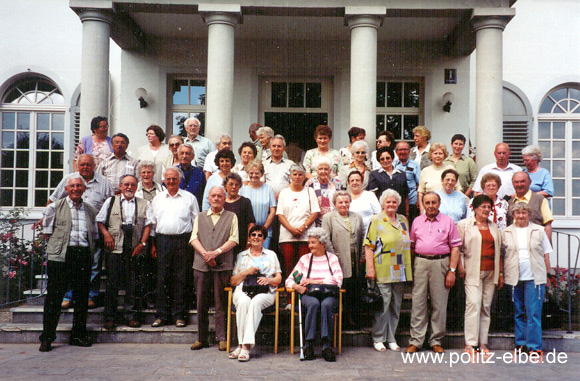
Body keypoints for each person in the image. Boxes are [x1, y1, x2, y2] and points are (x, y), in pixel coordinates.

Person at [39, 174, 99, 352]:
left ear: (84, 189)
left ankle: (78, 335)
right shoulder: (55, 207)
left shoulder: (90, 210)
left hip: (82, 255)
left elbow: (94, 235)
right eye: (72, 186)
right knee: (54, 297)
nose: (75, 189)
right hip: (61, 256)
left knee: (81, 297)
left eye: (79, 186)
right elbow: (47, 233)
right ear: (66, 189)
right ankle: (47, 337)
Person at [48, 154, 114, 309]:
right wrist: (47, 220)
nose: (85, 167)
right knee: (69, 265)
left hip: (94, 230)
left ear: (94, 165)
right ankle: (68, 296)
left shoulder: (104, 183)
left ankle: (90, 295)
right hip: (70, 231)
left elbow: (112, 206)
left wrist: (107, 231)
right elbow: (53, 201)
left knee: (94, 265)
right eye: (82, 164)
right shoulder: (69, 180)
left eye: (88, 165)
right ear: (77, 165)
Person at [405, 192, 462, 354]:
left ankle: (436, 340)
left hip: (441, 263)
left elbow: (455, 247)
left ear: (439, 203)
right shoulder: (416, 221)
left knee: (439, 303)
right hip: (421, 263)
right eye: (427, 202)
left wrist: (452, 271)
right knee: (418, 302)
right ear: (423, 204)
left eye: (434, 202)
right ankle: (416, 340)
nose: (430, 205)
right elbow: (411, 246)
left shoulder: (448, 221)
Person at [97, 174, 154, 329]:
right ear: (120, 186)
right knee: (112, 284)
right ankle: (110, 317)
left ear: (137, 187)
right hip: (115, 247)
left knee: (133, 284)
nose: (129, 187)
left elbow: (148, 225)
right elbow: (100, 221)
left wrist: (142, 243)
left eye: (133, 185)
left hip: (135, 247)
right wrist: (106, 234)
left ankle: (132, 316)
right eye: (126, 184)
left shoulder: (145, 203)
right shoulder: (111, 201)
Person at [190, 186, 239, 352]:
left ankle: (222, 338)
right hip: (201, 265)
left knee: (221, 302)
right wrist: (206, 255)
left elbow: (234, 239)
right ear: (208, 198)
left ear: (224, 198)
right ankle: (201, 338)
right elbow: (193, 238)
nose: (216, 198)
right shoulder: (200, 216)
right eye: (213, 196)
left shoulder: (232, 216)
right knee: (201, 302)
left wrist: (216, 253)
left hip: (222, 264)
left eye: (220, 196)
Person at [151, 167, 199, 328]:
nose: (171, 181)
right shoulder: (158, 199)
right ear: (164, 180)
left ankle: (179, 316)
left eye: (174, 179)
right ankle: (161, 316)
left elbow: (196, 223)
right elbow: (153, 223)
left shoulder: (189, 198)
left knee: (181, 278)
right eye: (168, 179)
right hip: (162, 241)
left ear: (180, 180)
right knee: (162, 278)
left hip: (183, 241)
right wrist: (153, 244)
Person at [285, 228, 343, 362]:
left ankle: (327, 346)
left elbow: (338, 279)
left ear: (322, 244)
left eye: (313, 242)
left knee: (327, 304)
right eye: (309, 242)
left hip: (328, 293)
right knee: (313, 303)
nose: (309, 245)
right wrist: (296, 286)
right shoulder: (305, 259)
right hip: (309, 294)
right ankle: (309, 344)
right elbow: (289, 280)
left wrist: (314, 281)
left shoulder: (332, 258)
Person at [364, 189, 412, 352]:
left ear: (398, 204)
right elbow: (369, 246)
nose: (391, 204)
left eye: (394, 202)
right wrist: (370, 268)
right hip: (382, 268)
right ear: (382, 204)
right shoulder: (376, 220)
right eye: (388, 202)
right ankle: (378, 338)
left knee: (396, 305)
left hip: (401, 269)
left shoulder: (403, 219)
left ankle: (391, 338)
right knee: (383, 306)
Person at [502, 202, 552, 355]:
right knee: (518, 312)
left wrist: (548, 275)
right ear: (513, 215)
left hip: (534, 277)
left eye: (524, 212)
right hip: (514, 276)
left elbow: (546, 255)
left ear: (529, 214)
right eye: (517, 213)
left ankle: (534, 346)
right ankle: (520, 344)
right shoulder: (506, 232)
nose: (521, 215)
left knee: (533, 313)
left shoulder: (539, 230)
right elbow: (502, 255)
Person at [228, 225, 282, 362]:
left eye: (259, 235)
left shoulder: (271, 255)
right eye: (253, 235)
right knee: (244, 302)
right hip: (243, 290)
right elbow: (233, 281)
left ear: (264, 239)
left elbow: (278, 279)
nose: (256, 237)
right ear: (249, 238)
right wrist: (246, 272)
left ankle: (244, 347)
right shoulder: (241, 256)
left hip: (266, 292)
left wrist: (269, 280)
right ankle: (241, 345)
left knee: (255, 302)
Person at [457, 195, 503, 353]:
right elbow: (458, 249)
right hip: (472, 271)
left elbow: (499, 251)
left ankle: (482, 343)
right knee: (473, 305)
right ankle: (470, 343)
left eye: (488, 207)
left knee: (485, 306)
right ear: (474, 208)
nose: (486, 210)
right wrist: (460, 267)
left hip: (491, 272)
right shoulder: (464, 225)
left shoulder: (494, 227)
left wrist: (500, 273)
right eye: (482, 206)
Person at [322, 191, 364, 328]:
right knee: (342, 288)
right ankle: (342, 320)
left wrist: (362, 256)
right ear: (334, 204)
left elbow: (363, 237)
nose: (344, 204)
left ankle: (353, 318)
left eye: (346, 202)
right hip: (338, 259)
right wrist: (333, 257)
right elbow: (326, 239)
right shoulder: (328, 218)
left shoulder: (357, 217)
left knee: (354, 289)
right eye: (340, 202)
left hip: (355, 259)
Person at [277, 164, 320, 276]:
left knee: (305, 267)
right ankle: (290, 292)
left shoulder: (310, 191)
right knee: (289, 267)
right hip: (287, 237)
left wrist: (303, 227)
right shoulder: (284, 192)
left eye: (300, 174)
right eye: (294, 174)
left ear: (304, 177)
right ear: (290, 176)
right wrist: (291, 229)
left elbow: (315, 212)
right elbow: (280, 214)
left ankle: (303, 292)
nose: (297, 177)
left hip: (306, 236)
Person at [240, 160, 277, 249]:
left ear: (262, 174)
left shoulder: (268, 189)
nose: (254, 176)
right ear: (247, 173)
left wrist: (263, 229)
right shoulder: (242, 189)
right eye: (251, 173)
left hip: (265, 231)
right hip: (247, 232)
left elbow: (272, 212)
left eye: (257, 173)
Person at [507, 172, 553, 240]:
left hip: (534, 245)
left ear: (530, 182)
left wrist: (546, 247)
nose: (519, 184)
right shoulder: (509, 202)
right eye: (516, 182)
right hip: (514, 245)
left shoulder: (540, 200)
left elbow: (547, 225)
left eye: (522, 181)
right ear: (513, 184)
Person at [417, 143, 457, 214]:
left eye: (440, 153)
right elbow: (421, 192)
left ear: (444, 155)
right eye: (435, 153)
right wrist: (422, 210)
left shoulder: (450, 169)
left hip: (449, 210)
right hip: (430, 210)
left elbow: (458, 189)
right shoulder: (425, 171)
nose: (438, 156)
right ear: (431, 155)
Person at [368, 146, 408, 216]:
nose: (385, 161)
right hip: (382, 212)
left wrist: (407, 213)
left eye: (388, 158)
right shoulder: (374, 174)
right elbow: (372, 196)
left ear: (392, 158)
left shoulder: (402, 174)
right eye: (382, 159)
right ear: (379, 161)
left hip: (400, 212)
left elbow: (405, 196)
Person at [305, 156, 342, 227]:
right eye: (320, 169)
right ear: (316, 171)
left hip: (334, 221)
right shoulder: (310, 183)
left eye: (326, 169)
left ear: (330, 170)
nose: (323, 171)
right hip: (315, 221)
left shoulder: (337, 183)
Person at [223, 173, 255, 254]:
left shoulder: (245, 202)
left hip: (241, 242)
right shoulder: (221, 203)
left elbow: (250, 224)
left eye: (236, 185)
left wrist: (249, 242)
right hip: (223, 243)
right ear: (225, 186)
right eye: (231, 184)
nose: (233, 187)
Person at [394, 141, 421, 224]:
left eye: (405, 149)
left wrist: (418, 201)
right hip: (396, 202)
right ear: (396, 151)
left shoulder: (415, 165)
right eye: (400, 150)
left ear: (409, 151)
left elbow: (419, 183)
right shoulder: (392, 164)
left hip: (411, 202)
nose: (402, 152)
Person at [175, 143, 206, 209]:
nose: (184, 156)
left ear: (193, 156)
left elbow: (204, 194)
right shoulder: (172, 172)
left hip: (195, 208)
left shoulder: (199, 173)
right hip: (176, 208)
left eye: (187, 153)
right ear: (178, 155)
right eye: (182, 153)